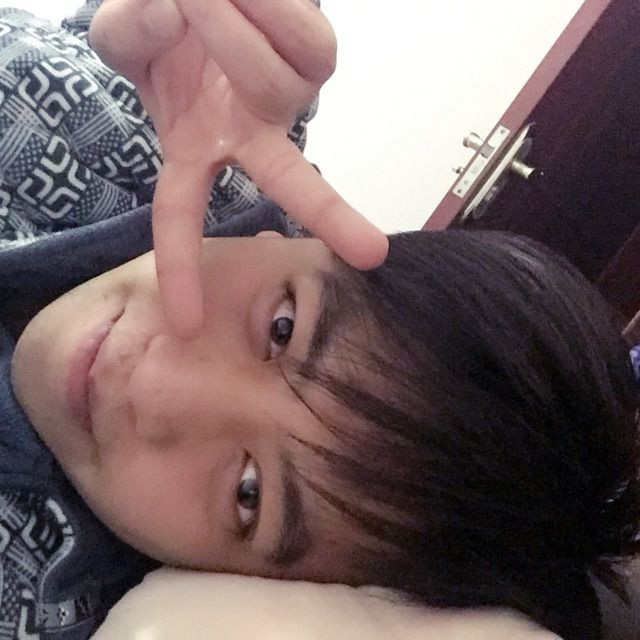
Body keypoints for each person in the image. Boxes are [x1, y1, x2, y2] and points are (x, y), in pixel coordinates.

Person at [0, 3, 638, 640]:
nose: (155, 387)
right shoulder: (176, 140)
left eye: (249, 493)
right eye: (282, 329)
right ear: (295, 237)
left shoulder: (36, 597)